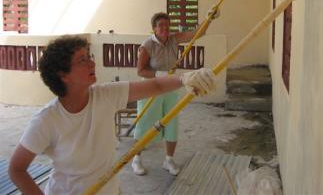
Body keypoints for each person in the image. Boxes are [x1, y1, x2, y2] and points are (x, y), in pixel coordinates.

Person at [8, 35, 216, 195]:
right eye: (82, 60)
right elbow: (16, 169)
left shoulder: (105, 95)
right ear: (63, 75)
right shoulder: (47, 119)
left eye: (89, 56)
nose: (92, 63)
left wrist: (186, 78)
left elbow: (157, 84)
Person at [132, 9, 219, 176]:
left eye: (167, 24)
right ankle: (136, 158)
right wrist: (158, 74)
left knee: (171, 122)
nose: (165, 28)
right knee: (145, 123)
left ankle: (169, 160)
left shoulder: (174, 39)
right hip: (151, 87)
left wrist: (209, 19)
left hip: (170, 86)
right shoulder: (147, 45)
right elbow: (140, 71)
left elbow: (197, 34)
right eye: (160, 25)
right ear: (154, 28)